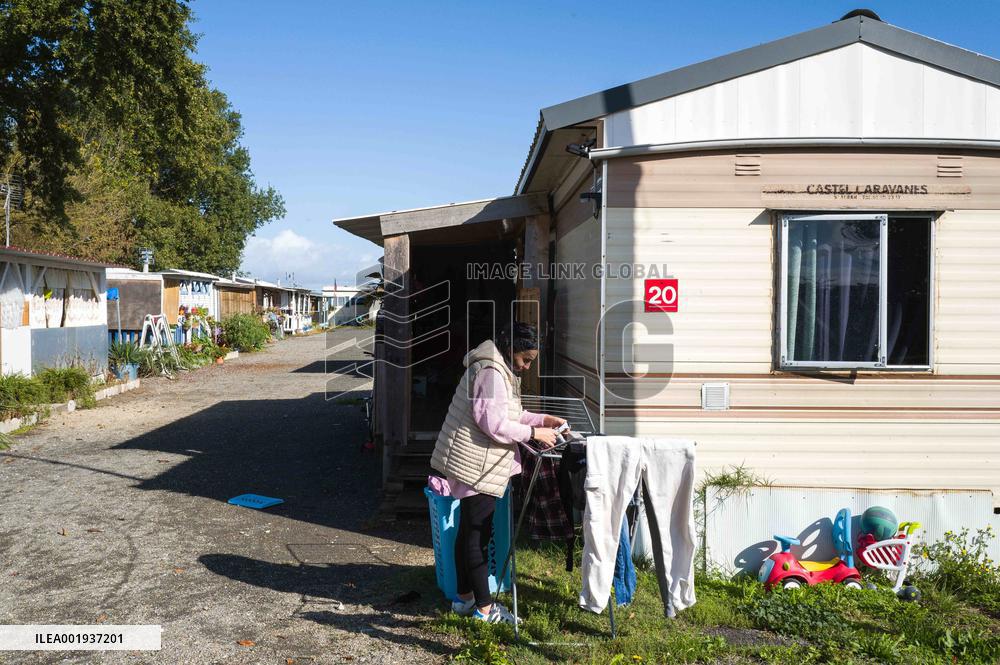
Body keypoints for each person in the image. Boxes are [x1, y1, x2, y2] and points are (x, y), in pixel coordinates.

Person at [430, 322, 568, 624]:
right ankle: (484, 608)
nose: (527, 366)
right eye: (525, 359)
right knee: (478, 534)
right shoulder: (491, 373)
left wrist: (544, 419)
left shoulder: (498, 368)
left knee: (469, 530)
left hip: (474, 460)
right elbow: (492, 424)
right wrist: (533, 432)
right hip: (476, 463)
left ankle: (465, 600)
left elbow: (508, 414)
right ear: (510, 348)